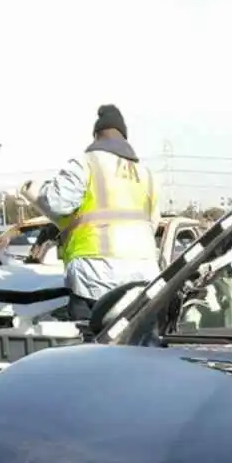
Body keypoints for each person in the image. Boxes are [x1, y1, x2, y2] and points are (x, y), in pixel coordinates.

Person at [27, 104, 161, 322]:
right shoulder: (146, 175)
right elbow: (152, 224)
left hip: (95, 277)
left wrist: (39, 192)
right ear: (124, 137)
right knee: (134, 348)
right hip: (142, 280)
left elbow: (57, 203)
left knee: (91, 350)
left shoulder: (86, 163)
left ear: (97, 134)